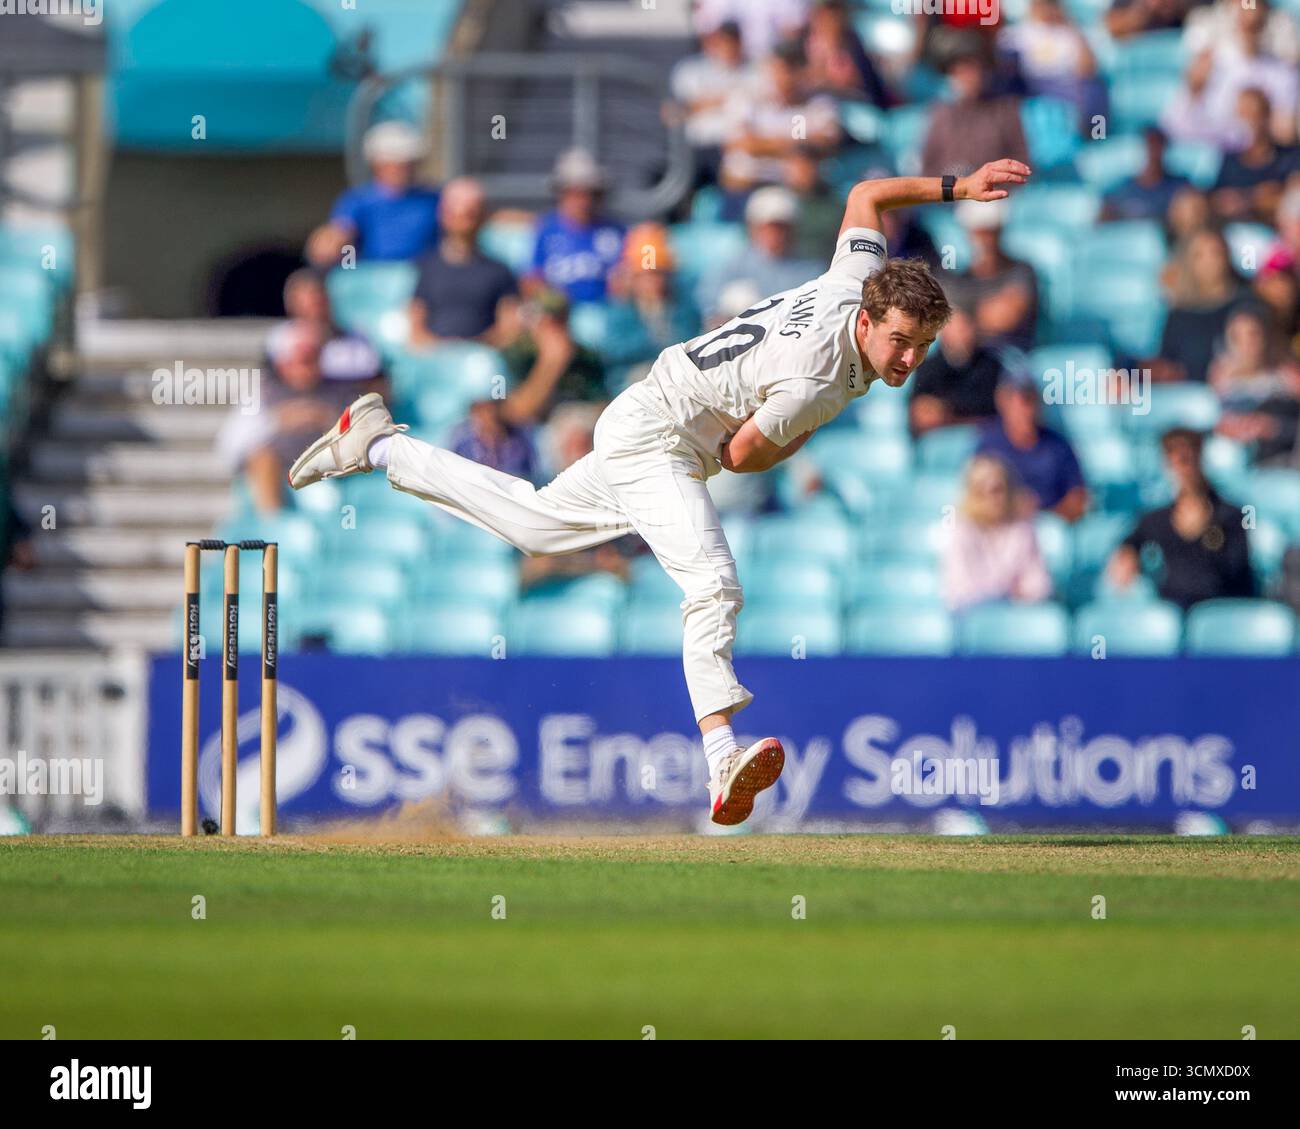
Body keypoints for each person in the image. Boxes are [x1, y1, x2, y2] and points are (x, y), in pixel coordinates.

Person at [286, 158, 1033, 826]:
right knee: (712, 581)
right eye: (898, 341)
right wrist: (802, 433)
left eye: (921, 347)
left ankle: (379, 442)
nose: (907, 358)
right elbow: (741, 458)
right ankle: (721, 758)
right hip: (662, 437)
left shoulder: (852, 279)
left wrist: (957, 187)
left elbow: (868, 192)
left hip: (648, 409)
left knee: (538, 527)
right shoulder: (814, 379)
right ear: (867, 320)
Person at [1107, 428, 1255, 608]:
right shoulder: (1157, 519)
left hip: (1219, 608)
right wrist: (1127, 553)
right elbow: (1131, 542)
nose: (1183, 469)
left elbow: (1238, 573)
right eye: (1174, 461)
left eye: (1188, 459)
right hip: (1173, 607)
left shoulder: (1231, 516)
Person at [306, 122, 440, 266]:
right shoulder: (357, 201)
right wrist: (348, 267)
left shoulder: (432, 199)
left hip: (422, 277)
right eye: (395, 163)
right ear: (377, 165)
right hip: (372, 277)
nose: (402, 169)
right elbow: (344, 239)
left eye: (408, 163)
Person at [408, 177, 518, 346]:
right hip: (432, 360)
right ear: (442, 214)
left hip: (481, 361)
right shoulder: (425, 267)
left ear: (483, 216)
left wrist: (472, 349)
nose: (462, 221)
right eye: (454, 213)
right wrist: (440, 350)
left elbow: (508, 329)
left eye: (470, 214)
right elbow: (415, 327)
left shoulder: (500, 271)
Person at [942, 454, 1053, 611]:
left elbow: (1040, 586)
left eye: (997, 489)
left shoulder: (1022, 530)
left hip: (1017, 618)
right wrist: (1009, 592)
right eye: (981, 490)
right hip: (971, 620)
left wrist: (1007, 596)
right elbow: (962, 591)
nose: (990, 498)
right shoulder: (959, 532)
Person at [976, 368, 1089, 522]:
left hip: (1048, 530)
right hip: (1000, 529)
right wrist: (1012, 506)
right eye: (1017, 400)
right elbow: (975, 499)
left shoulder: (1057, 446)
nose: (1024, 409)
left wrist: (1043, 513)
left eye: (1029, 400)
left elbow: (1078, 500)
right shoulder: (988, 445)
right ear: (1002, 402)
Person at [696, 186, 823, 323]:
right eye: (766, 227)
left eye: (781, 228)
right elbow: (706, 300)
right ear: (752, 227)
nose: (774, 235)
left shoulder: (811, 270)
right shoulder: (733, 263)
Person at [525, 149, 625, 305]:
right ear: (561, 193)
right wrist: (551, 299)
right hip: (561, 316)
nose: (582, 201)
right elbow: (532, 280)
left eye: (589, 193)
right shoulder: (545, 231)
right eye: (574, 193)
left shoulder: (615, 231)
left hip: (608, 315)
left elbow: (633, 275)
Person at [921, 34, 1029, 178]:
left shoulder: (1005, 110)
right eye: (960, 71)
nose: (968, 77)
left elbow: (1021, 161)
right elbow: (928, 165)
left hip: (994, 193)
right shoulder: (941, 113)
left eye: (973, 69)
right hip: (949, 193)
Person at [945, 198, 1039, 352]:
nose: (985, 240)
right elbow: (948, 324)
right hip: (969, 360)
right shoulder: (959, 278)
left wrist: (965, 323)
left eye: (991, 231)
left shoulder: (1022, 271)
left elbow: (1004, 317)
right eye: (979, 232)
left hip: (1010, 355)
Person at [909, 305, 1003, 434]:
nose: (962, 334)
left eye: (965, 327)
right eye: (956, 328)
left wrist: (947, 413)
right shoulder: (928, 367)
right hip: (939, 438)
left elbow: (994, 411)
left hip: (982, 436)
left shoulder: (991, 365)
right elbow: (920, 415)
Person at [1101, 127, 1190, 224]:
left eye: (1158, 146)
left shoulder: (1180, 187)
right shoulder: (1121, 190)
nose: (1154, 152)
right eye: (1150, 146)